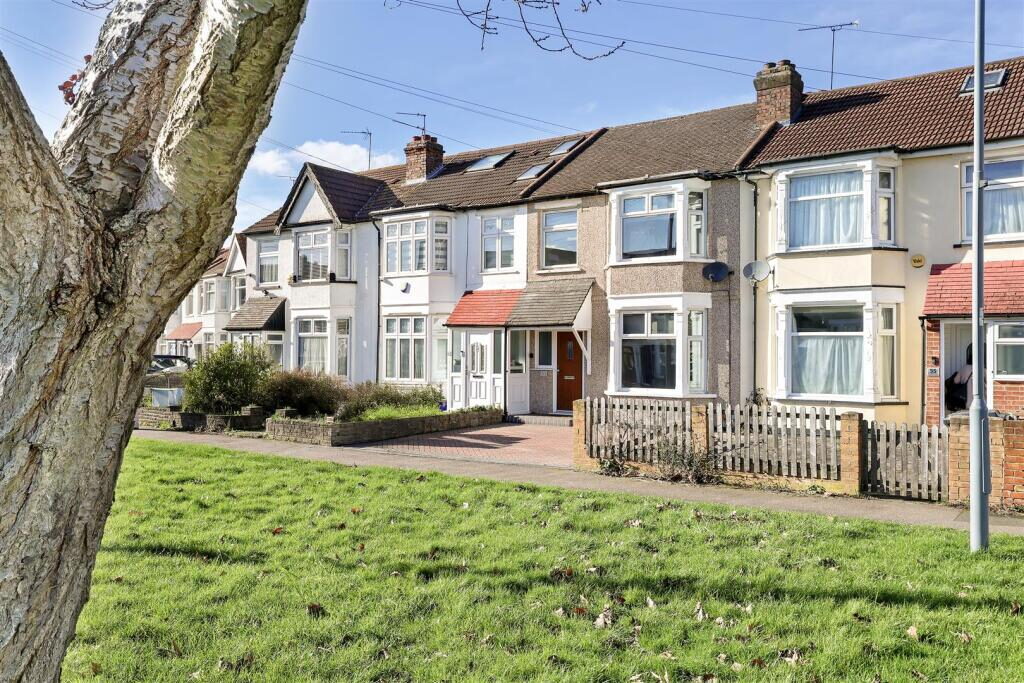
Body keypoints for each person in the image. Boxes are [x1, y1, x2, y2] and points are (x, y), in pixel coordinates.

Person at [945, 344, 972, 413]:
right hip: (981, 401)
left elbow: (955, 381)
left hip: (964, 400)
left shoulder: (964, 368)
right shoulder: (984, 370)